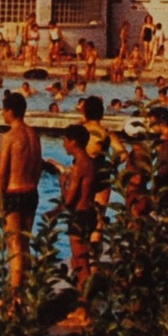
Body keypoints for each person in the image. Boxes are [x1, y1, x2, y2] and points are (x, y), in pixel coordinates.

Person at [0, 90, 44, 302]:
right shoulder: (34, 135)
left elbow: (3, 170)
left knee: (14, 245)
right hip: (31, 191)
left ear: (10, 111)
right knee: (25, 244)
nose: (2, 114)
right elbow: (39, 166)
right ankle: (27, 291)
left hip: (14, 193)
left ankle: (15, 298)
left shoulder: (9, 137)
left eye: (4, 110)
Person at [58, 124, 99, 292]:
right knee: (81, 260)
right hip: (90, 213)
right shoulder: (90, 162)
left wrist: (62, 184)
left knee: (80, 262)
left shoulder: (79, 166)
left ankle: (85, 308)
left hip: (80, 215)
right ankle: (83, 302)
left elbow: (69, 200)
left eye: (65, 141)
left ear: (73, 142)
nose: (64, 145)